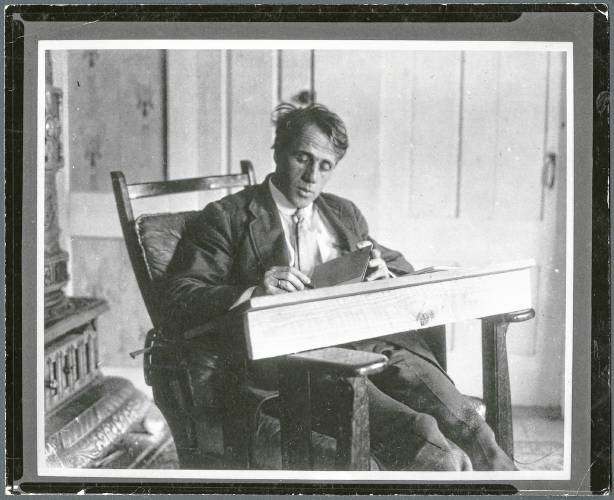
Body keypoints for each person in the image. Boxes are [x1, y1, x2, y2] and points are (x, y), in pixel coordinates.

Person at [163, 103, 516, 471]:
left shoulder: (342, 213)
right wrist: (255, 291)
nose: (312, 176)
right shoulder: (227, 218)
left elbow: (397, 263)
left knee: (467, 424)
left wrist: (384, 271)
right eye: (303, 157)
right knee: (421, 433)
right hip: (298, 361)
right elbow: (180, 295)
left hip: (370, 343)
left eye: (325, 165)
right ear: (279, 150)